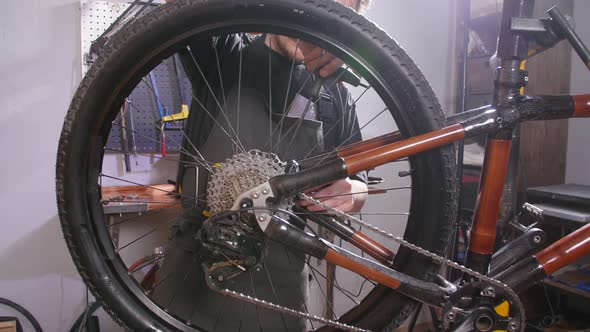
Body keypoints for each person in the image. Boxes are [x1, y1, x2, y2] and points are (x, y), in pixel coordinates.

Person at [155, 0, 372, 330]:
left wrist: (352, 192)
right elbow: (179, 5)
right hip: (190, 278)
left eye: (334, 16)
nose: (316, 22)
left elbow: (359, 184)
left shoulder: (336, 96)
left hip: (279, 292)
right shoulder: (224, 52)